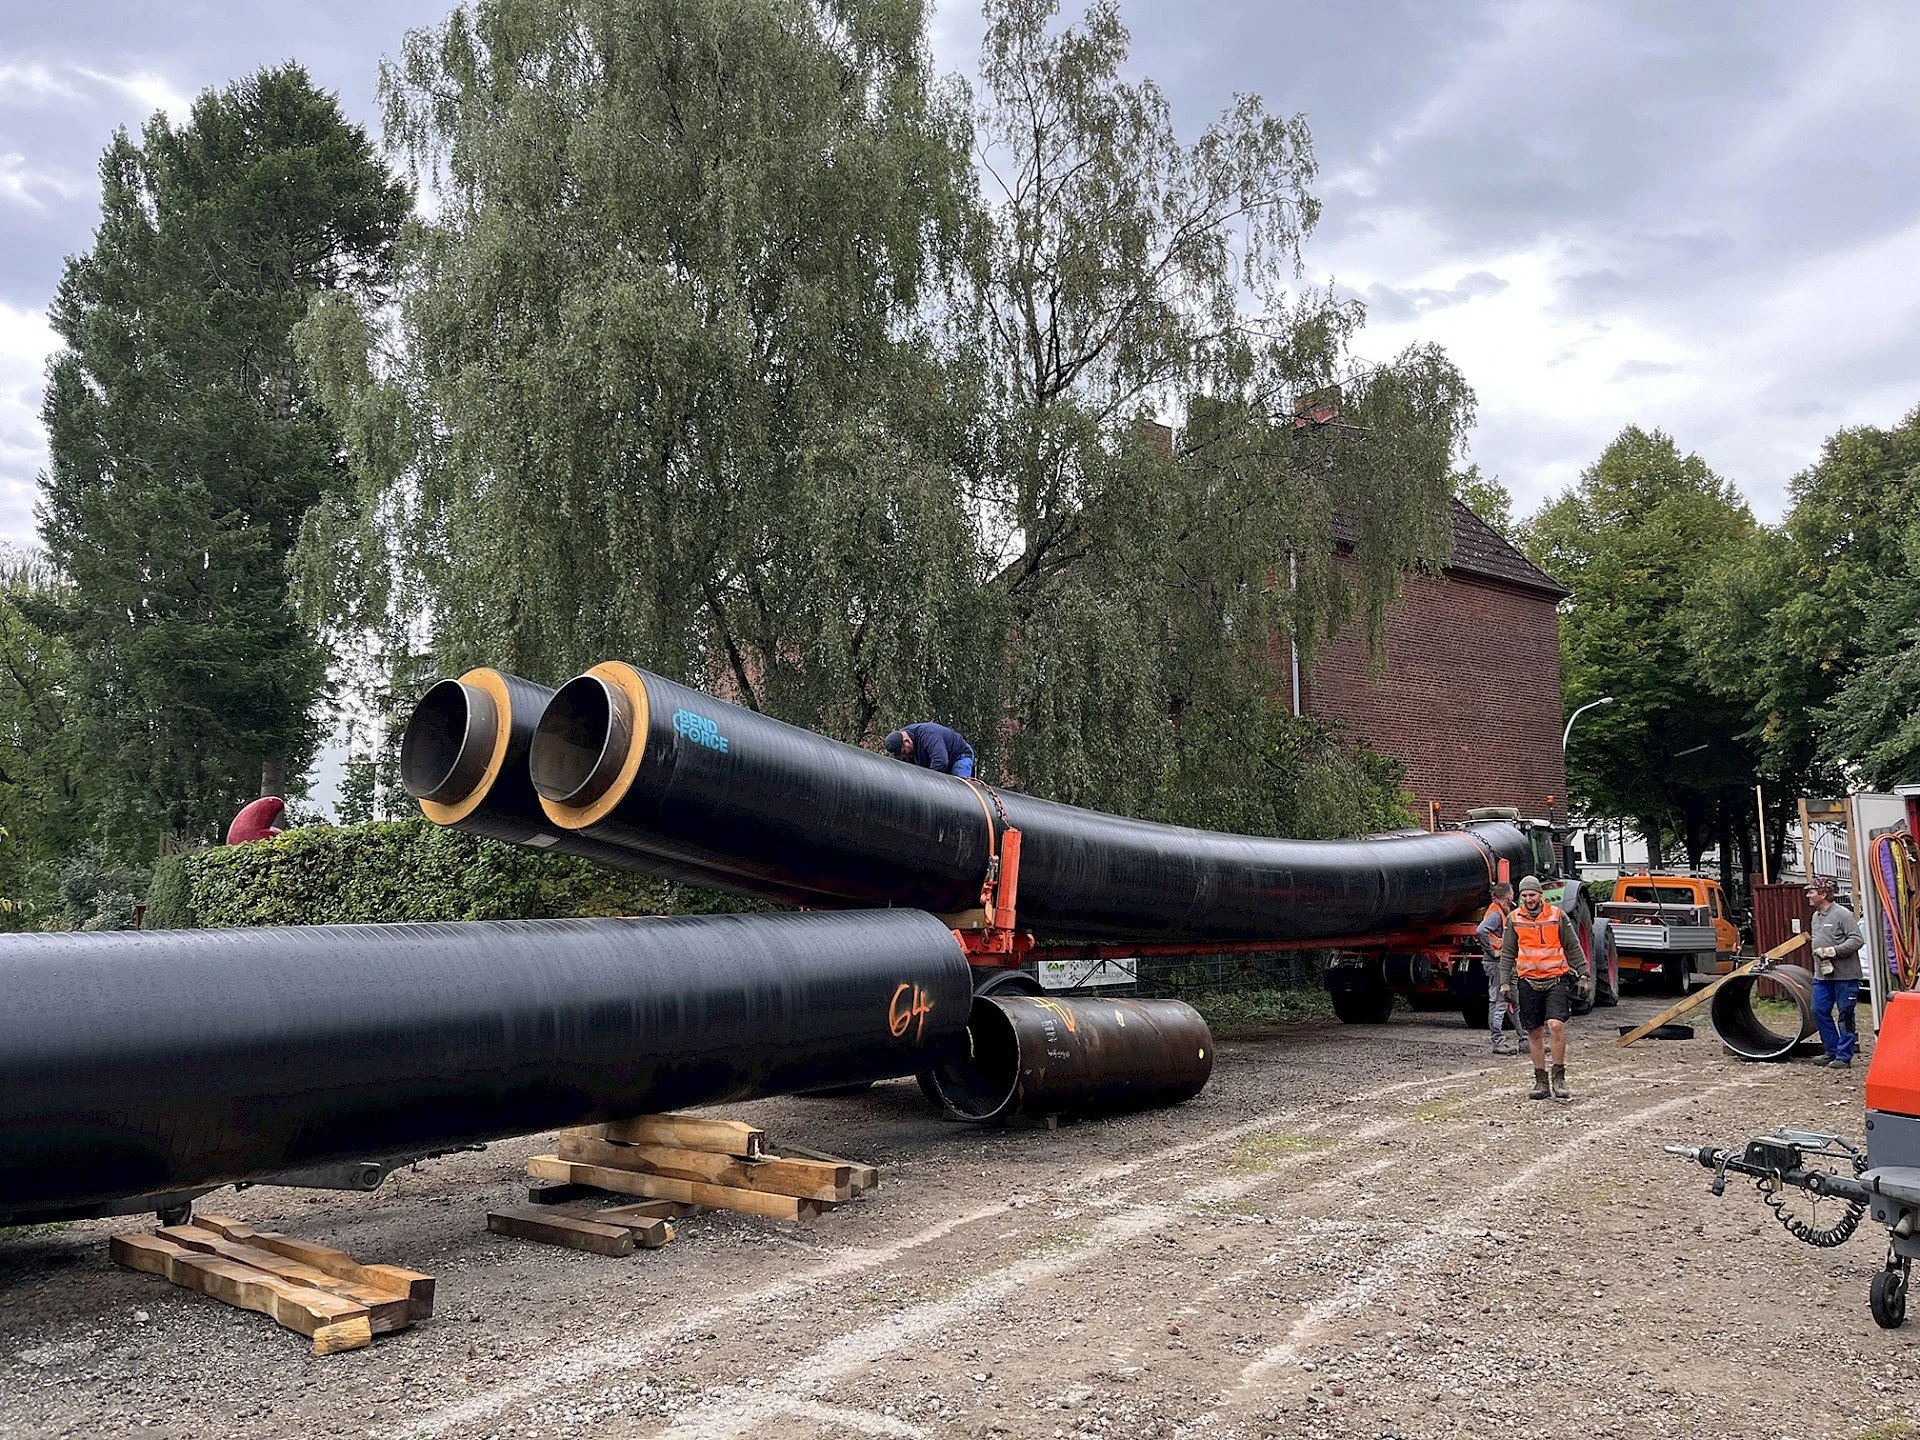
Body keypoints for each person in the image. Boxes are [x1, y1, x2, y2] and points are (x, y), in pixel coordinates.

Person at [1497, 875, 1590, 1101]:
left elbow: (1573, 945)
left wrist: (1584, 973)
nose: (1529, 899)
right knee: (1534, 1031)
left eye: (1533, 894)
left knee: (1555, 1025)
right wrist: (1504, 982)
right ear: (1520, 897)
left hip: (1556, 978)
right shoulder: (1514, 919)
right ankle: (1541, 1081)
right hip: (1528, 981)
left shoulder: (1557, 916)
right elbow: (1508, 952)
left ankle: (1559, 1077)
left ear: (1541, 895)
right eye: (1525, 895)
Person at [1807, 878, 1866, 1069]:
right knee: (1818, 1010)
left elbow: (1857, 940)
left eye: (1811, 892)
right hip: (1823, 975)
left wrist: (1834, 951)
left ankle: (1844, 1056)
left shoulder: (1842, 915)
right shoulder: (1816, 917)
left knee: (1845, 1014)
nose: (1808, 895)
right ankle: (1831, 1050)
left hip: (1845, 976)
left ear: (1823, 894)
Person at [1477, 882, 1517, 1055]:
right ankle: (1498, 1042)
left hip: (1504, 962)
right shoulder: (1496, 913)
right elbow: (1481, 931)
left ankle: (1525, 1040)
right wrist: (1492, 952)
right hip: (1496, 963)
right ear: (1508, 896)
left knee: (1515, 1001)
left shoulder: (1501, 910)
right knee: (1499, 1002)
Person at [883, 722, 976, 778]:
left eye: (903, 752)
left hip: (959, 756)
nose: (904, 757)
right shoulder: (900, 741)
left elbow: (940, 762)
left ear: (907, 741)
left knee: (959, 788)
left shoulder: (928, 735)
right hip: (939, 763)